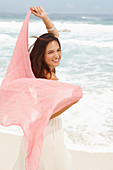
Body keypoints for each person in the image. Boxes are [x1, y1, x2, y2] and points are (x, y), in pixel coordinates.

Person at [13, 6, 80, 170]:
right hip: (46, 131)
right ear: (42, 54)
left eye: (58, 50)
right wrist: (72, 101)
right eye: (51, 52)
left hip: (49, 128)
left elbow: (54, 37)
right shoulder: (42, 78)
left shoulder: (47, 68)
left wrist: (45, 18)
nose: (57, 55)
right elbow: (45, 116)